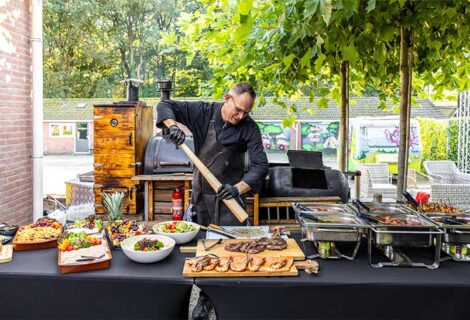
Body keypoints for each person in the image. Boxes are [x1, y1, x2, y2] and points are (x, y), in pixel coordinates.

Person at [156, 83, 269, 320]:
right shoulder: (203, 111)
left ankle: (229, 305)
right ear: (227, 98)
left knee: (231, 252)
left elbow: (260, 167)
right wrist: (173, 126)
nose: (241, 116)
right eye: (238, 110)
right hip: (200, 194)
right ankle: (204, 300)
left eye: (246, 113)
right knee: (202, 251)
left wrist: (237, 188)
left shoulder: (249, 128)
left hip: (230, 199)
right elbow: (165, 104)